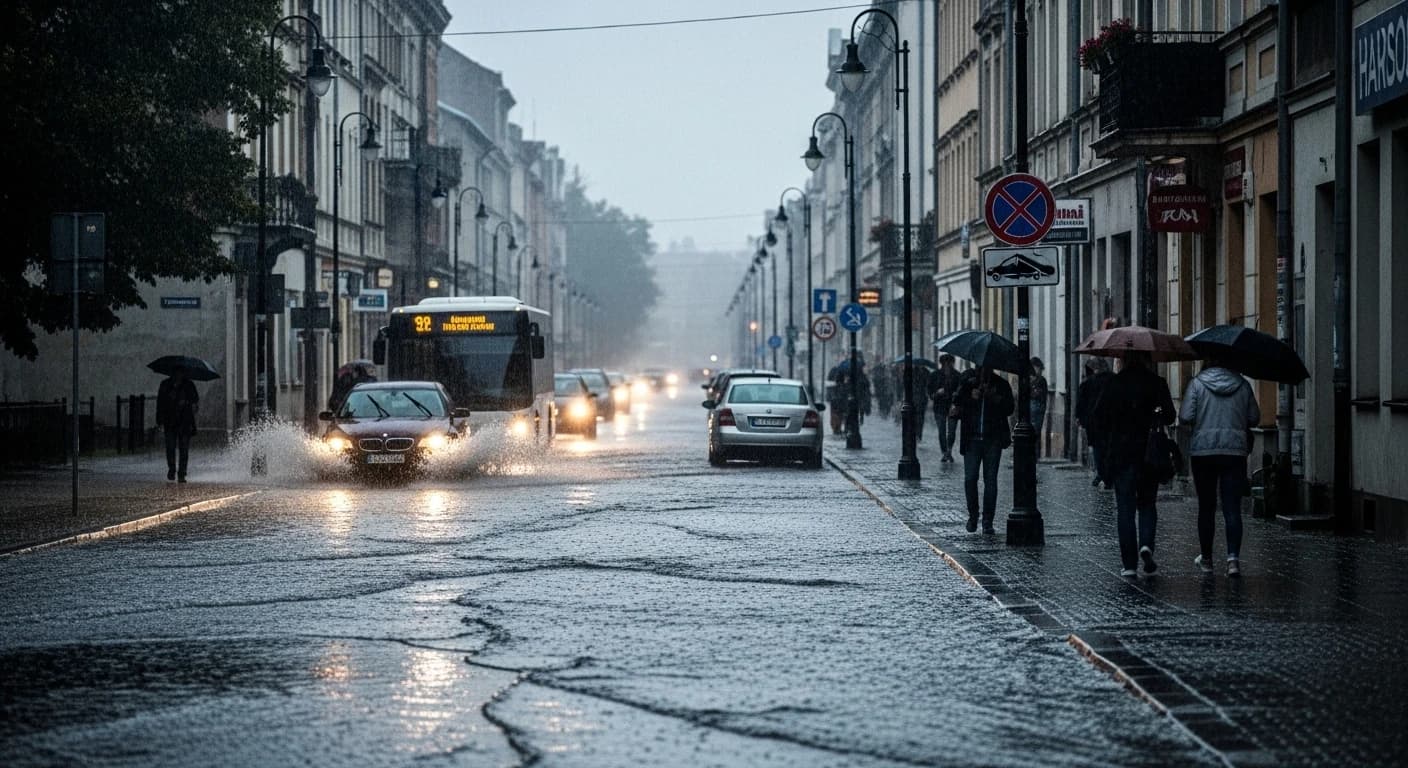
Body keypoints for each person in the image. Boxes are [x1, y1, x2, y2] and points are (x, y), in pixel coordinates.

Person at [1090, 351, 1175, 578]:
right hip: (1149, 454)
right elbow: (1170, 415)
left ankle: (1129, 564)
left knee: (1125, 509)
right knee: (1147, 504)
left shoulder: (1113, 384)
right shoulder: (1156, 383)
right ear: (1146, 358)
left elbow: (1098, 417)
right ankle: (1146, 544)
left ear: (1123, 359)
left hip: (1122, 455)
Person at [1180, 356, 1260, 577]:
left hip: (1203, 453)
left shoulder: (1197, 384)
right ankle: (1233, 560)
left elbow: (1186, 415)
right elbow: (1254, 418)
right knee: (1232, 507)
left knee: (1206, 507)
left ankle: (1207, 559)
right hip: (1234, 452)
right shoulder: (1242, 384)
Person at [951, 365, 1014, 534]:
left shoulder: (1000, 384)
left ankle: (987, 520)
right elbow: (956, 400)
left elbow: (1010, 408)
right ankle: (973, 516)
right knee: (970, 479)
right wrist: (969, 395)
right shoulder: (968, 381)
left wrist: (993, 397)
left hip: (992, 439)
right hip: (971, 439)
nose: (983, 369)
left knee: (990, 480)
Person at [1075, 358, 1113, 487]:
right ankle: (1107, 475)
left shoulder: (1087, 383)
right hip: (1110, 420)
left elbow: (1080, 403)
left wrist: (1079, 417)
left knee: (1097, 448)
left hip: (1093, 422)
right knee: (1109, 447)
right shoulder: (1114, 380)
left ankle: (1102, 474)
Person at [155, 370, 199, 482]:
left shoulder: (188, 385)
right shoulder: (165, 385)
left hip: (185, 421)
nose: (178, 375)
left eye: (180, 373)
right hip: (170, 421)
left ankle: (182, 473)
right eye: (176, 373)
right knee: (170, 447)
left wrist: (187, 403)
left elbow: (195, 401)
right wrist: (160, 420)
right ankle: (172, 469)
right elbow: (160, 402)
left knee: (184, 449)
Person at [928, 354, 962, 462]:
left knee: (951, 431)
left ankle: (949, 450)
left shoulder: (957, 375)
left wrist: (956, 396)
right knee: (941, 430)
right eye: (945, 364)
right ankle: (944, 452)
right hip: (939, 407)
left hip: (953, 406)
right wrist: (937, 393)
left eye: (949, 363)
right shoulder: (935, 375)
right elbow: (930, 391)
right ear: (942, 364)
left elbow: (961, 390)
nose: (947, 366)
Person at [1029, 357, 1049, 457]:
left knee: (1035, 432)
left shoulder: (1041, 380)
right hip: (1033, 408)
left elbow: (1036, 394)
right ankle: (1033, 454)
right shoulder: (1032, 379)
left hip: (1038, 409)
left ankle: (1035, 454)